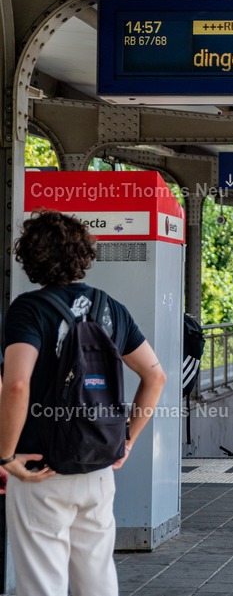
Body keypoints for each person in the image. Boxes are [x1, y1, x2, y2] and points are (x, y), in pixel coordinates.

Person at [0, 210, 168, 596]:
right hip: (98, 467)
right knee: (97, 579)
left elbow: (16, 384)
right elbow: (155, 376)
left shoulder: (29, 309)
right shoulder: (110, 308)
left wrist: (6, 456)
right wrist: (126, 439)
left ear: (31, 257)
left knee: (43, 583)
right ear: (83, 256)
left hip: (39, 468)